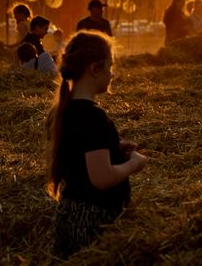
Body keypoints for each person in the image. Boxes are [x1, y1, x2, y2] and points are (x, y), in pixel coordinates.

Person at [46, 31, 147, 259]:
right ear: (94, 69)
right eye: (110, 66)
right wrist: (134, 164)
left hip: (68, 214)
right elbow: (102, 178)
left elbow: (79, 151)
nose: (112, 74)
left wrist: (112, 147)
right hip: (93, 220)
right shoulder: (94, 117)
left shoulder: (64, 111)